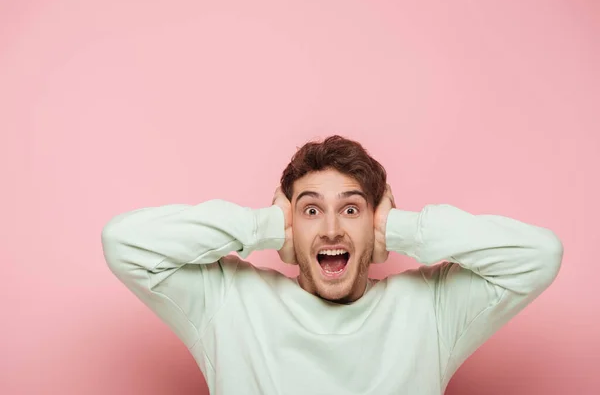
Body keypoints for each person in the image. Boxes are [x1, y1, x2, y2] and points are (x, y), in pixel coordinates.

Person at [101, 135, 563, 394]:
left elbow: (539, 256)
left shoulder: (432, 310)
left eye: (351, 209)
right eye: (309, 210)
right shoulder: (227, 303)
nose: (331, 230)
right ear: (289, 225)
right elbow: (123, 242)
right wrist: (261, 226)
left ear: (375, 222)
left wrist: (405, 230)